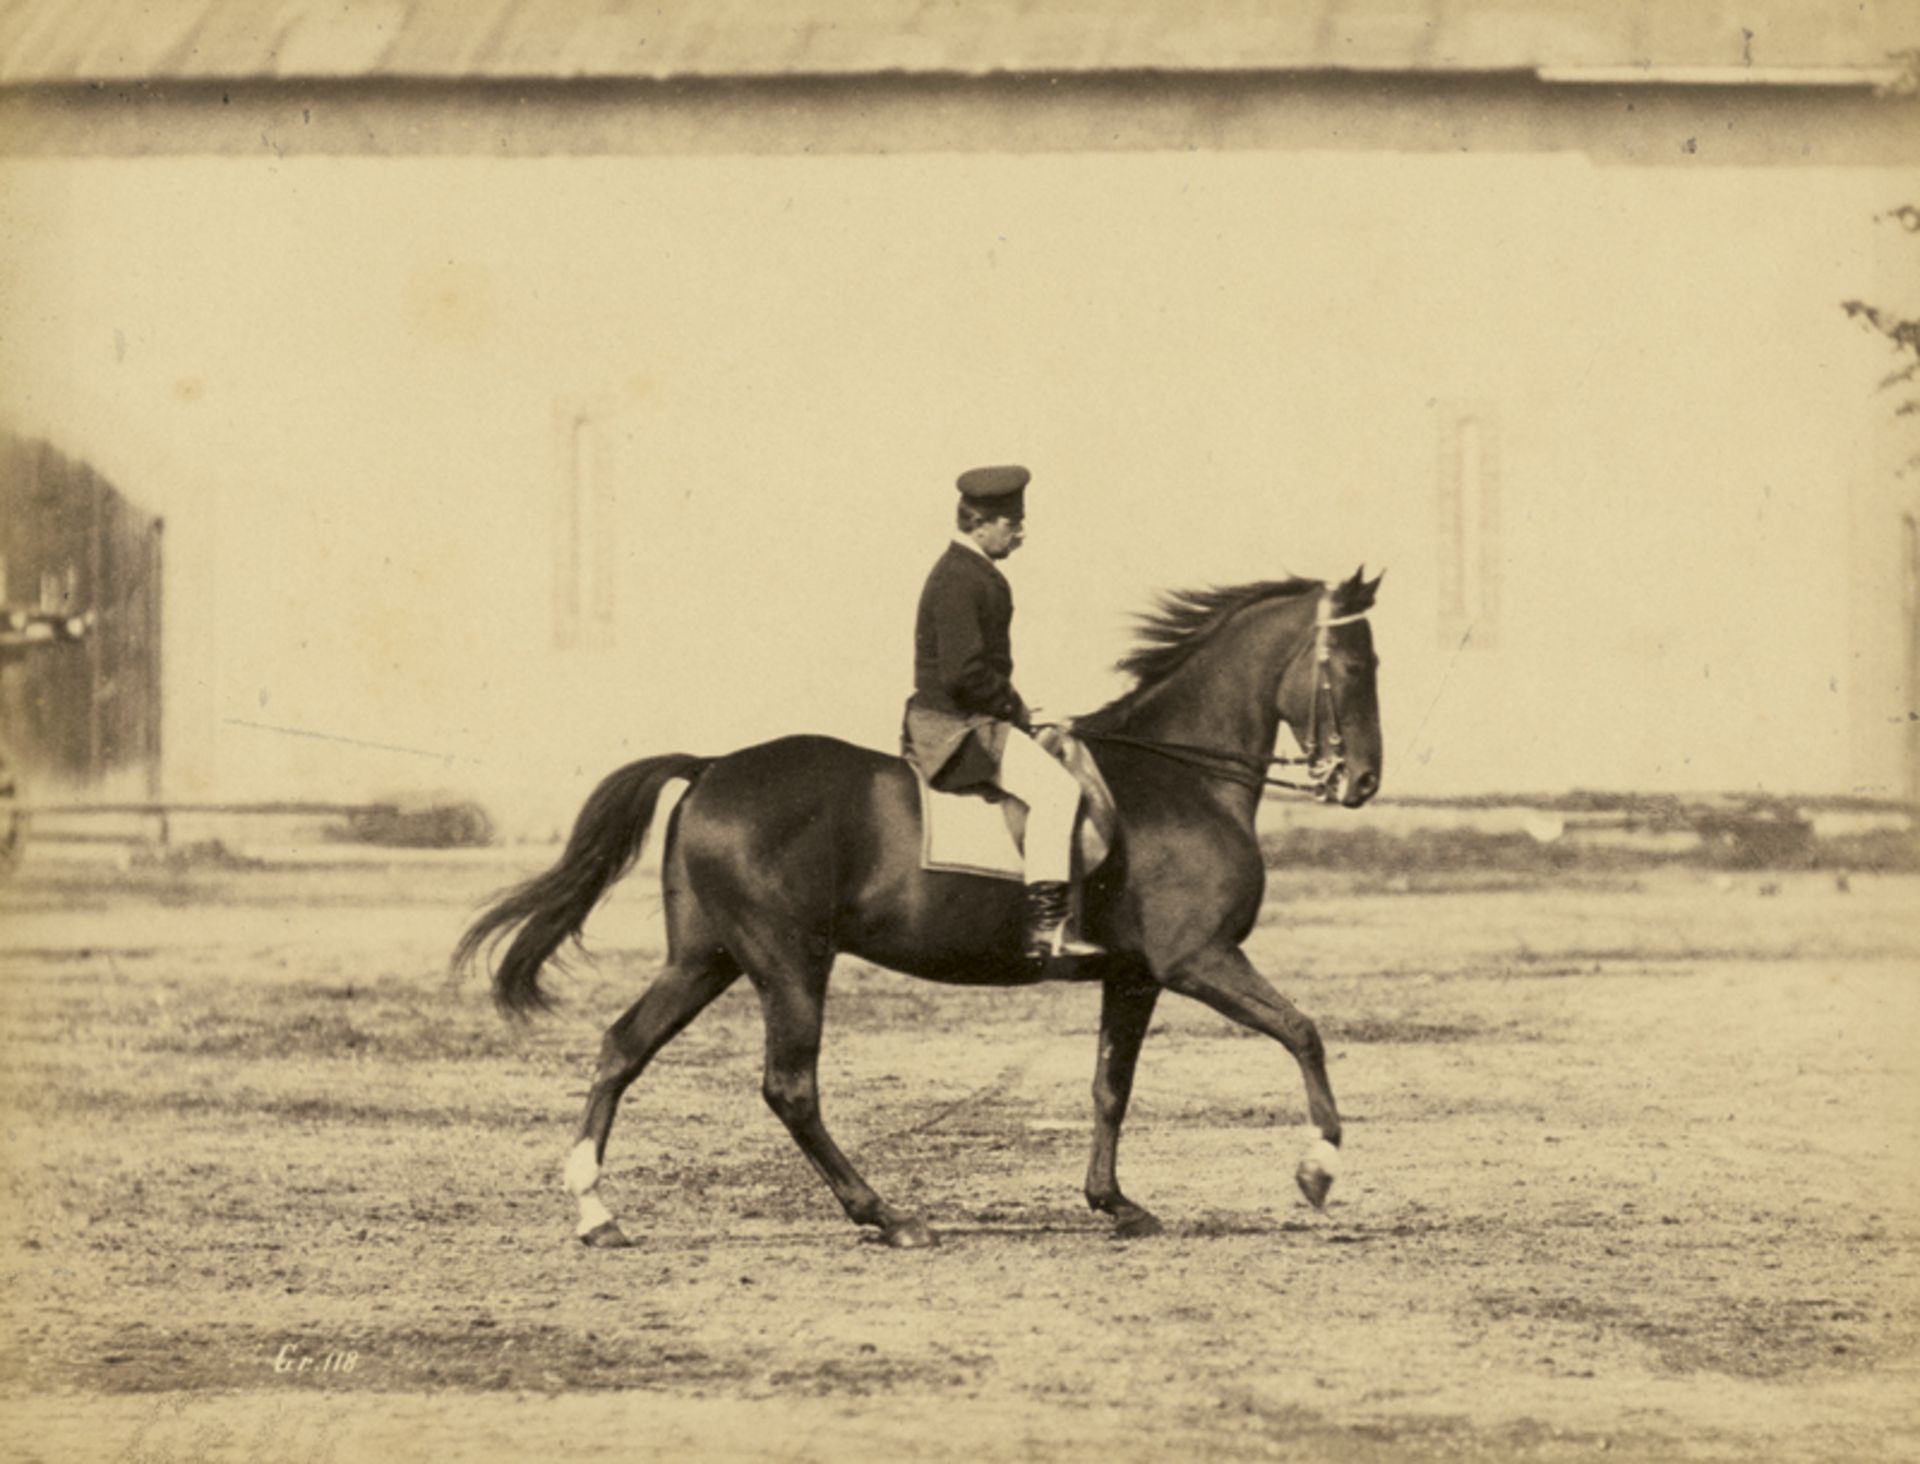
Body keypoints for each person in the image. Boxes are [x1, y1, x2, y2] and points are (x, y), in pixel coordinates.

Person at [901, 465, 1102, 964]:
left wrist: (1018, 708)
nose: (1020, 533)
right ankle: (1046, 928)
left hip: (968, 718)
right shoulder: (960, 578)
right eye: (1013, 524)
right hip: (953, 729)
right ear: (981, 522)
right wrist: (1015, 710)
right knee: (1059, 790)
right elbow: (963, 675)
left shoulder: (971, 573)